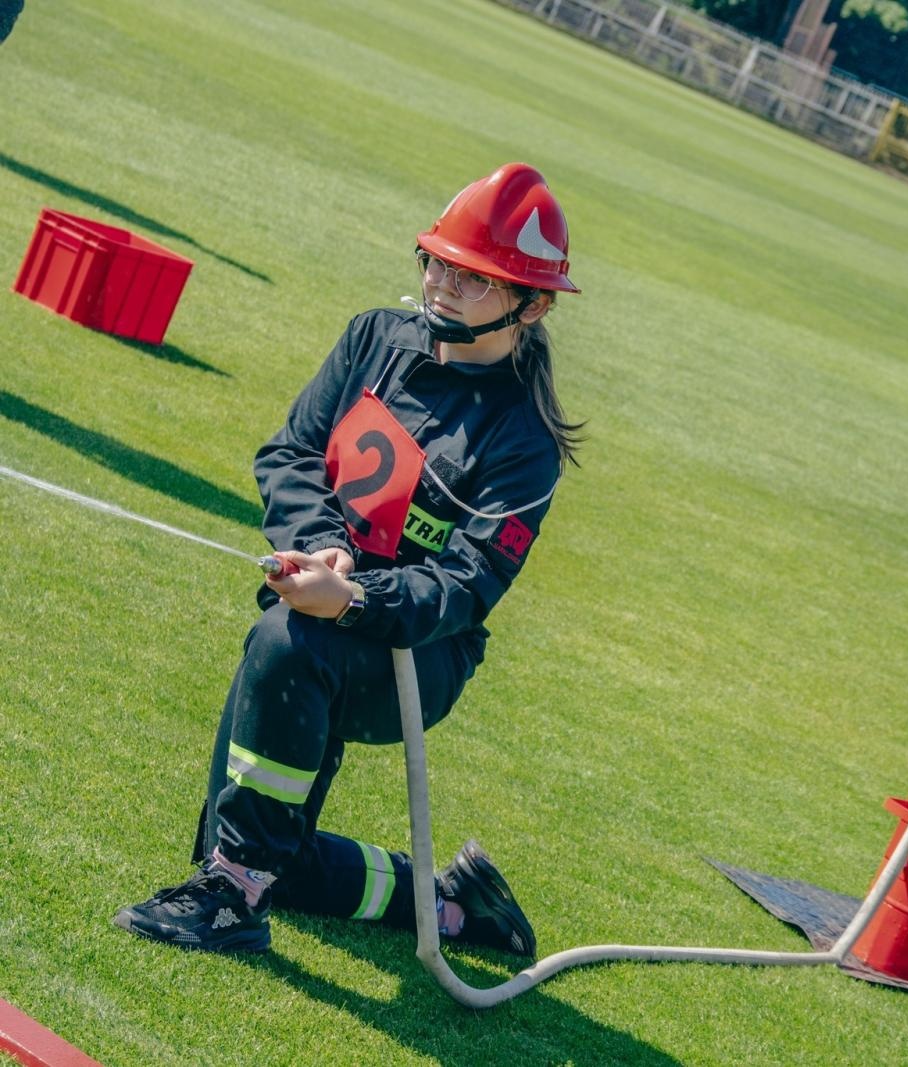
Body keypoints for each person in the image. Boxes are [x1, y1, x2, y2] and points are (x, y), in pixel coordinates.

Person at [113, 163, 583, 955]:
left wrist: (353, 598)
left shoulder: (526, 442)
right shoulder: (372, 338)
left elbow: (464, 587)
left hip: (415, 659)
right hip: (318, 616)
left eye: (473, 278)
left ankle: (231, 902)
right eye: (435, 261)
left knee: (285, 651)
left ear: (531, 305)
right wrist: (320, 534)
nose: (441, 285)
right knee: (264, 849)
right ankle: (451, 902)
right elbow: (291, 450)